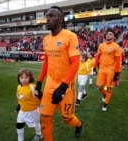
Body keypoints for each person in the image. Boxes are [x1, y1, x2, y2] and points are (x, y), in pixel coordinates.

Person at [35, 6, 82, 141]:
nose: (47, 19)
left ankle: (78, 124)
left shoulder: (70, 36)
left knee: (67, 119)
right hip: (50, 84)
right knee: (45, 117)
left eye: (51, 16)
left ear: (60, 19)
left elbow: (75, 63)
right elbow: (46, 62)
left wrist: (63, 86)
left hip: (66, 86)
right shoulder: (46, 39)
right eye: (47, 16)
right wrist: (39, 82)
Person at [93, 28, 121, 111]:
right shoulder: (101, 45)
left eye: (111, 34)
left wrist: (117, 73)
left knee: (109, 88)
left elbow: (118, 61)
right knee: (99, 86)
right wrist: (94, 67)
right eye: (108, 34)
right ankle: (105, 95)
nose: (108, 35)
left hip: (110, 70)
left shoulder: (116, 46)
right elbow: (97, 57)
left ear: (113, 37)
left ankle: (105, 104)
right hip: (102, 69)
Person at [16, 68, 42, 141]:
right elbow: (20, 98)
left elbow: (41, 97)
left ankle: (39, 134)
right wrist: (18, 107)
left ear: (30, 78)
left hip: (33, 111)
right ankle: (20, 139)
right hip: (22, 111)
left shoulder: (32, 87)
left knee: (36, 124)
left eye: (26, 77)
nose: (24, 79)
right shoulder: (19, 87)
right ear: (19, 78)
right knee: (19, 125)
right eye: (21, 78)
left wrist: (39, 94)